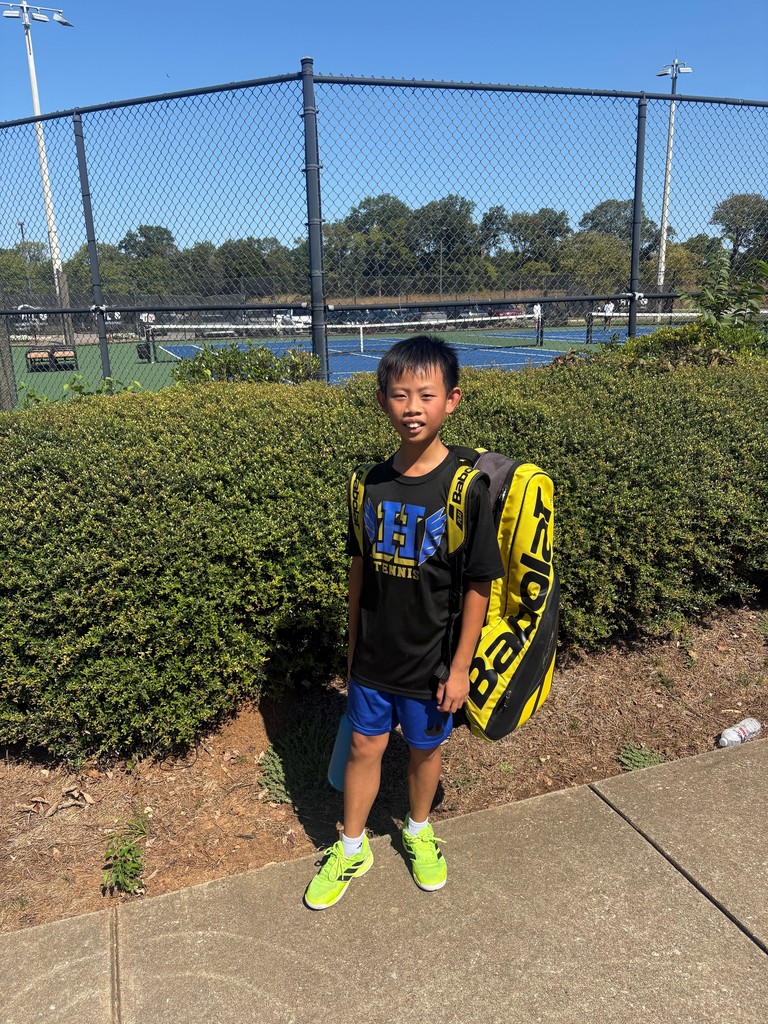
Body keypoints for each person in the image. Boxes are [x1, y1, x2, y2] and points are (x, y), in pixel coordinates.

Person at [304, 335, 503, 910]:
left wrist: (460, 667)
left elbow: (479, 584)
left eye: (426, 394)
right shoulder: (368, 483)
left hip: (433, 663)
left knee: (423, 750)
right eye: (399, 394)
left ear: (452, 401)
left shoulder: (465, 488)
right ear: (382, 401)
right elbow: (358, 569)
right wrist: (352, 647)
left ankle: (418, 830)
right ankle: (351, 847)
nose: (412, 407)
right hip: (375, 656)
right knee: (363, 746)